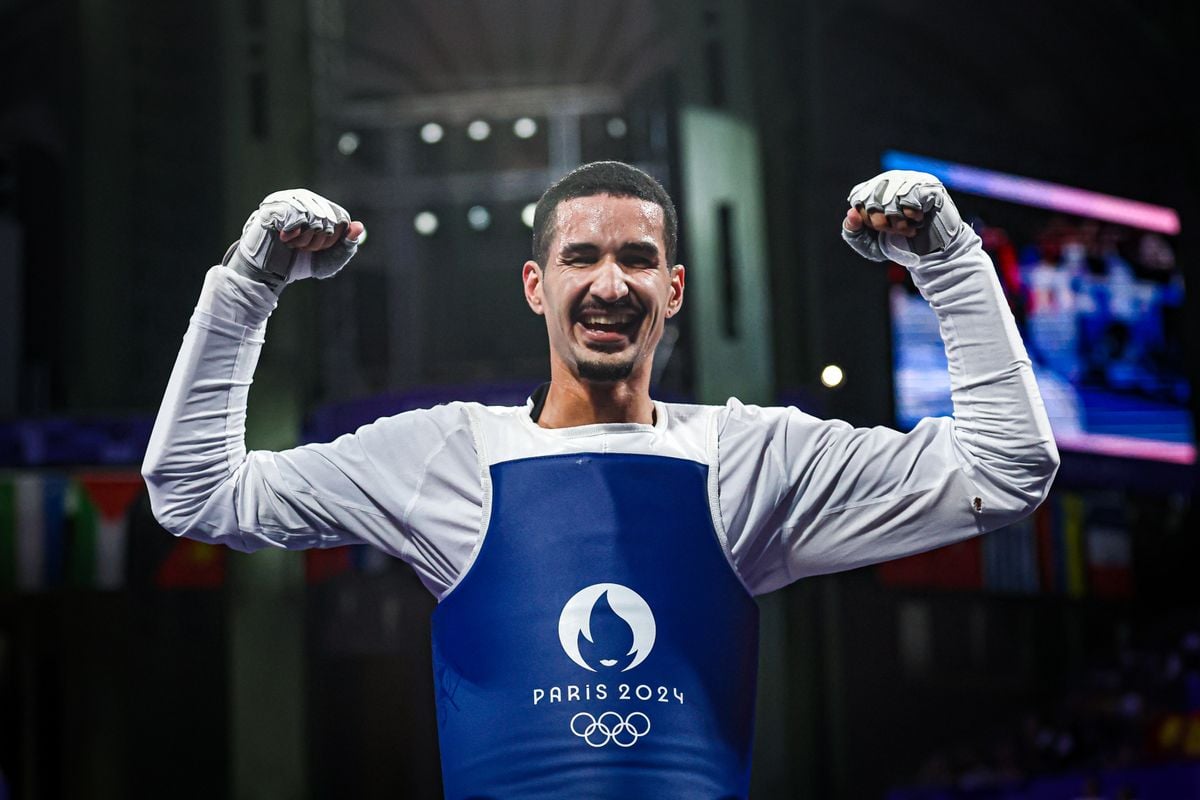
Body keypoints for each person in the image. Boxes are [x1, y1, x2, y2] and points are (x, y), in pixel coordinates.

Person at [142, 161, 1058, 798]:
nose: (610, 283)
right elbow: (194, 490)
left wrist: (949, 263)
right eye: (582, 257)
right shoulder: (446, 455)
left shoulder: (750, 459)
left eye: (637, 259)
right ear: (537, 286)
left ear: (676, 289)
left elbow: (1006, 469)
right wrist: (248, 285)